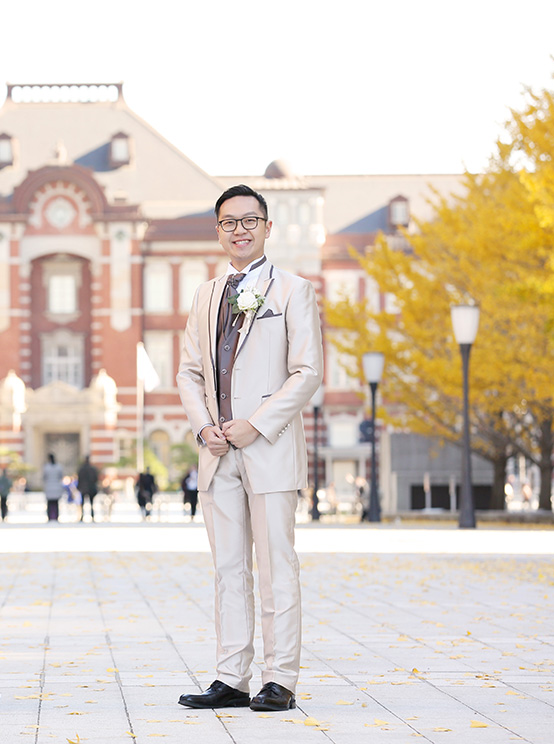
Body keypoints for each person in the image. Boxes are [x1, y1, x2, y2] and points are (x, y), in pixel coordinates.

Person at [175, 185, 323, 713]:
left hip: (271, 449)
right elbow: (189, 372)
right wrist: (204, 428)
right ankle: (231, 677)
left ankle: (279, 678)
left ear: (266, 228)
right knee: (228, 569)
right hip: (217, 454)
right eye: (228, 222)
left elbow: (307, 373)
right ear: (217, 231)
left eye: (249, 220)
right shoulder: (205, 295)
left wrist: (255, 425)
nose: (239, 229)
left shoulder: (293, 292)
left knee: (276, 565)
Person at [76, 456, 99, 522]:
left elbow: (79, 479)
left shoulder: (81, 469)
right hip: (91, 488)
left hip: (83, 488)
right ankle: (92, 515)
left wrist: (79, 487)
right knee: (91, 503)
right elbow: (96, 478)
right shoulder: (92, 469)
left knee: (83, 503)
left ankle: (82, 516)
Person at [42, 454, 63, 523]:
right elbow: (61, 476)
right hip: (56, 487)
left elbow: (44, 477)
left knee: (49, 503)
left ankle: (49, 517)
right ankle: (56, 516)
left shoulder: (46, 467)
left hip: (49, 487)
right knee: (56, 503)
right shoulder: (58, 467)